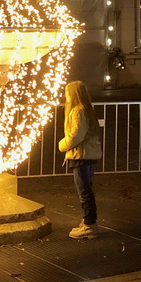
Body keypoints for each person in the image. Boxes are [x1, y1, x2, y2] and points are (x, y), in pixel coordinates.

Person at [58, 80, 103, 238]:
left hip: (81, 155)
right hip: (86, 155)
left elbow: (77, 134)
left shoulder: (78, 110)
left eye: (67, 93)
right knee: (86, 189)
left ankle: (90, 225)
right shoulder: (86, 109)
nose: (66, 96)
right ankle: (88, 222)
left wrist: (62, 145)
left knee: (84, 191)